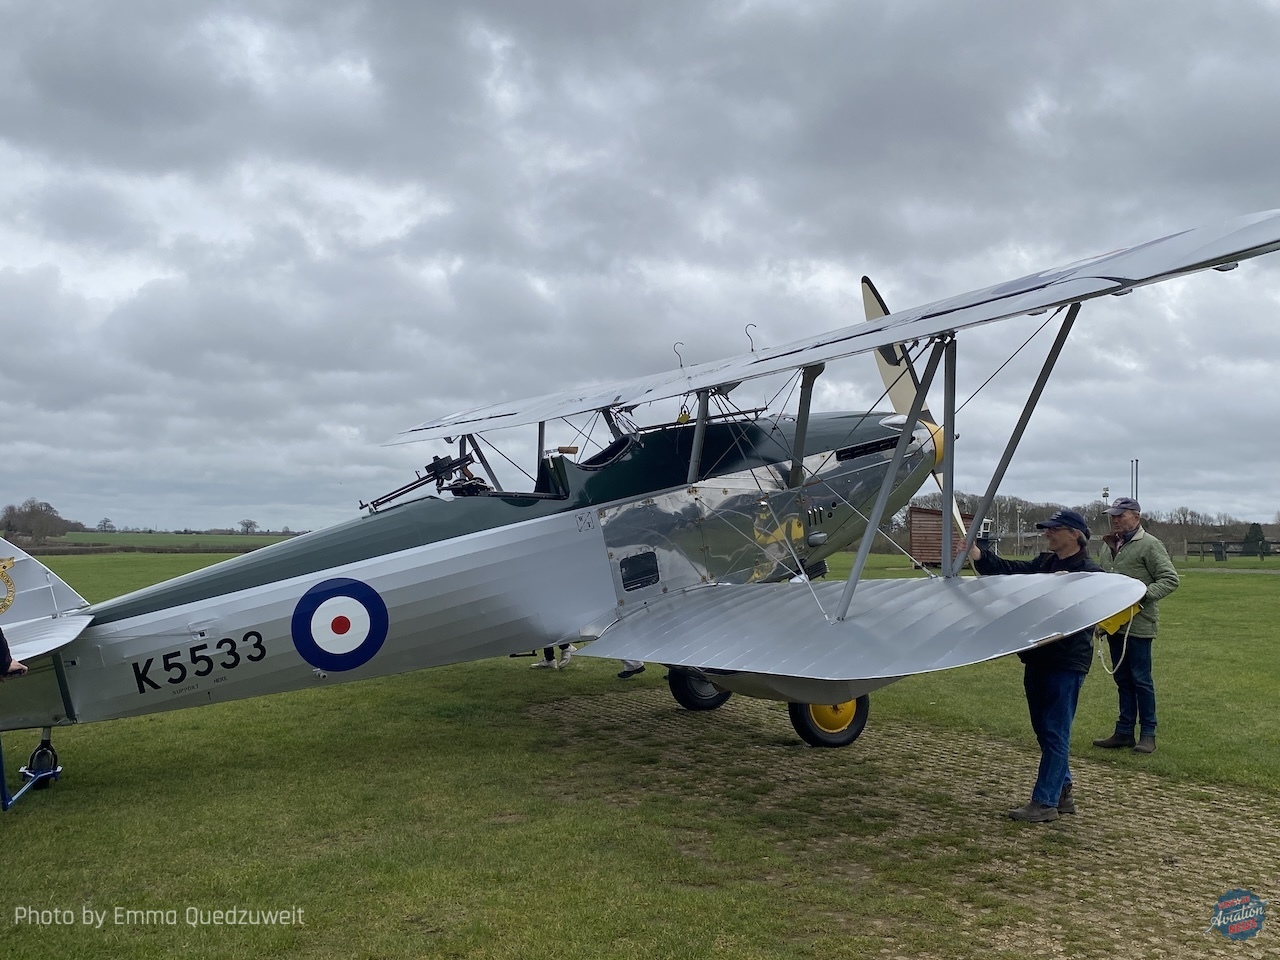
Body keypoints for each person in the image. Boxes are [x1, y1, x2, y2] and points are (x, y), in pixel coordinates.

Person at [966, 509, 1098, 822]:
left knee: (1055, 731)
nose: (1047, 533)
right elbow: (1010, 570)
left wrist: (1070, 588)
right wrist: (977, 554)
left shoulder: (1091, 573)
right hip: (1037, 657)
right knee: (1044, 730)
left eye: (1054, 529)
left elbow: (1091, 610)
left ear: (1074, 535)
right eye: (1047, 529)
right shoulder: (1044, 564)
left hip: (1066, 662)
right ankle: (1062, 791)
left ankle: (1045, 802)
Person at [1091, 498, 1179, 755]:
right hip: (1113, 624)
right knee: (1122, 678)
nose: (1115, 520)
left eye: (1121, 515)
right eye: (1113, 516)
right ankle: (1124, 731)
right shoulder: (1108, 547)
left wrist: (1141, 595)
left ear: (1136, 518)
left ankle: (1148, 734)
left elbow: (1170, 579)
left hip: (1139, 625)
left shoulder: (1150, 545)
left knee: (1141, 680)